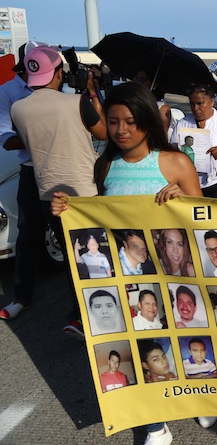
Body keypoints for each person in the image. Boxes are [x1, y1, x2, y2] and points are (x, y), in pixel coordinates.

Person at [50, 81, 205, 440]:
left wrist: (182, 196)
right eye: (114, 121)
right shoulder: (105, 166)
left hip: (174, 275)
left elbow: (203, 218)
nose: (121, 130)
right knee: (142, 348)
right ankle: (156, 424)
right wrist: (68, 210)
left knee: (184, 342)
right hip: (130, 279)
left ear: (148, 122)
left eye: (131, 121)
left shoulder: (175, 162)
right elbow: (103, 220)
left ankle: (200, 401)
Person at [13, 46, 107, 334]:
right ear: (56, 73)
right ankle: (88, 313)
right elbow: (103, 132)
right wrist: (91, 91)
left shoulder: (18, 108)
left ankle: (79, 313)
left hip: (48, 193)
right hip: (84, 190)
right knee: (94, 253)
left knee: (70, 254)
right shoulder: (76, 102)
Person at [0, 41, 45, 321]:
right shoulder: (8, 91)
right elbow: (5, 138)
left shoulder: (55, 89)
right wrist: (38, 136)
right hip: (30, 169)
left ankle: (80, 303)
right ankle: (21, 298)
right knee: (27, 236)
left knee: (69, 238)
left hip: (58, 169)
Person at [133, 67, 172, 135]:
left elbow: (160, 134)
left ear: (154, 84)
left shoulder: (162, 108)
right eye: (136, 79)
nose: (138, 84)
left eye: (141, 80)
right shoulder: (134, 103)